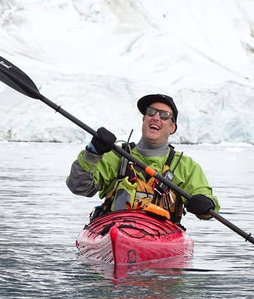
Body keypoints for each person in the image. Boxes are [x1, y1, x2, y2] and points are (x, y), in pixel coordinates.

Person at [66, 93, 219, 224]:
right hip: (114, 229)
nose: (156, 118)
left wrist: (206, 203)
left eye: (164, 115)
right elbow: (78, 187)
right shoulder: (116, 156)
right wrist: (93, 152)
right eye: (151, 112)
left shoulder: (186, 167)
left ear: (172, 127)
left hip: (161, 236)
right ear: (144, 119)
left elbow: (208, 206)